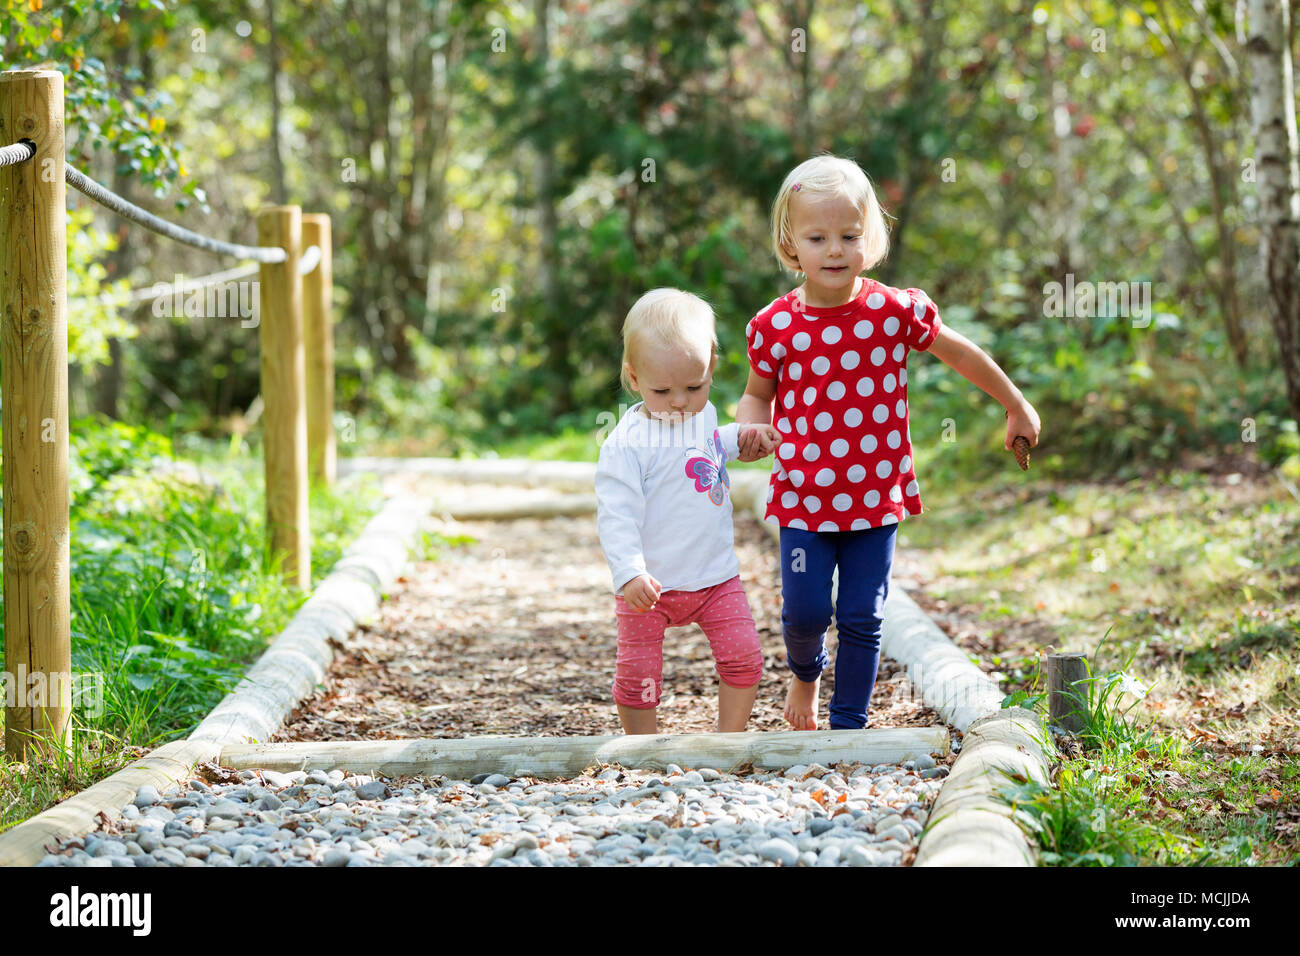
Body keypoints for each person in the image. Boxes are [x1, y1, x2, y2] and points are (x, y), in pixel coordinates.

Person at [736, 154, 1042, 731]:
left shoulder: (893, 311)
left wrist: (1014, 402)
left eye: (849, 236)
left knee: (861, 614)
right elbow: (756, 395)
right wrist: (754, 429)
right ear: (790, 243)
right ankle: (806, 677)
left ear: (869, 238)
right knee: (803, 613)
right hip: (803, 497)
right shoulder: (776, 326)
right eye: (817, 236)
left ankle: (847, 724)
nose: (834, 250)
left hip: (876, 497)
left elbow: (959, 352)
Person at [596, 288, 782, 735]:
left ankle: (727, 739)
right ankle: (642, 746)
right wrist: (629, 573)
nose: (680, 401)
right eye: (663, 390)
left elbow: (710, 443)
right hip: (650, 586)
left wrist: (744, 438)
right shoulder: (627, 444)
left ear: (711, 367)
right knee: (639, 674)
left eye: (694, 387)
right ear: (634, 378)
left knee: (744, 658)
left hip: (715, 576)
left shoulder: (701, 414)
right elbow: (615, 514)